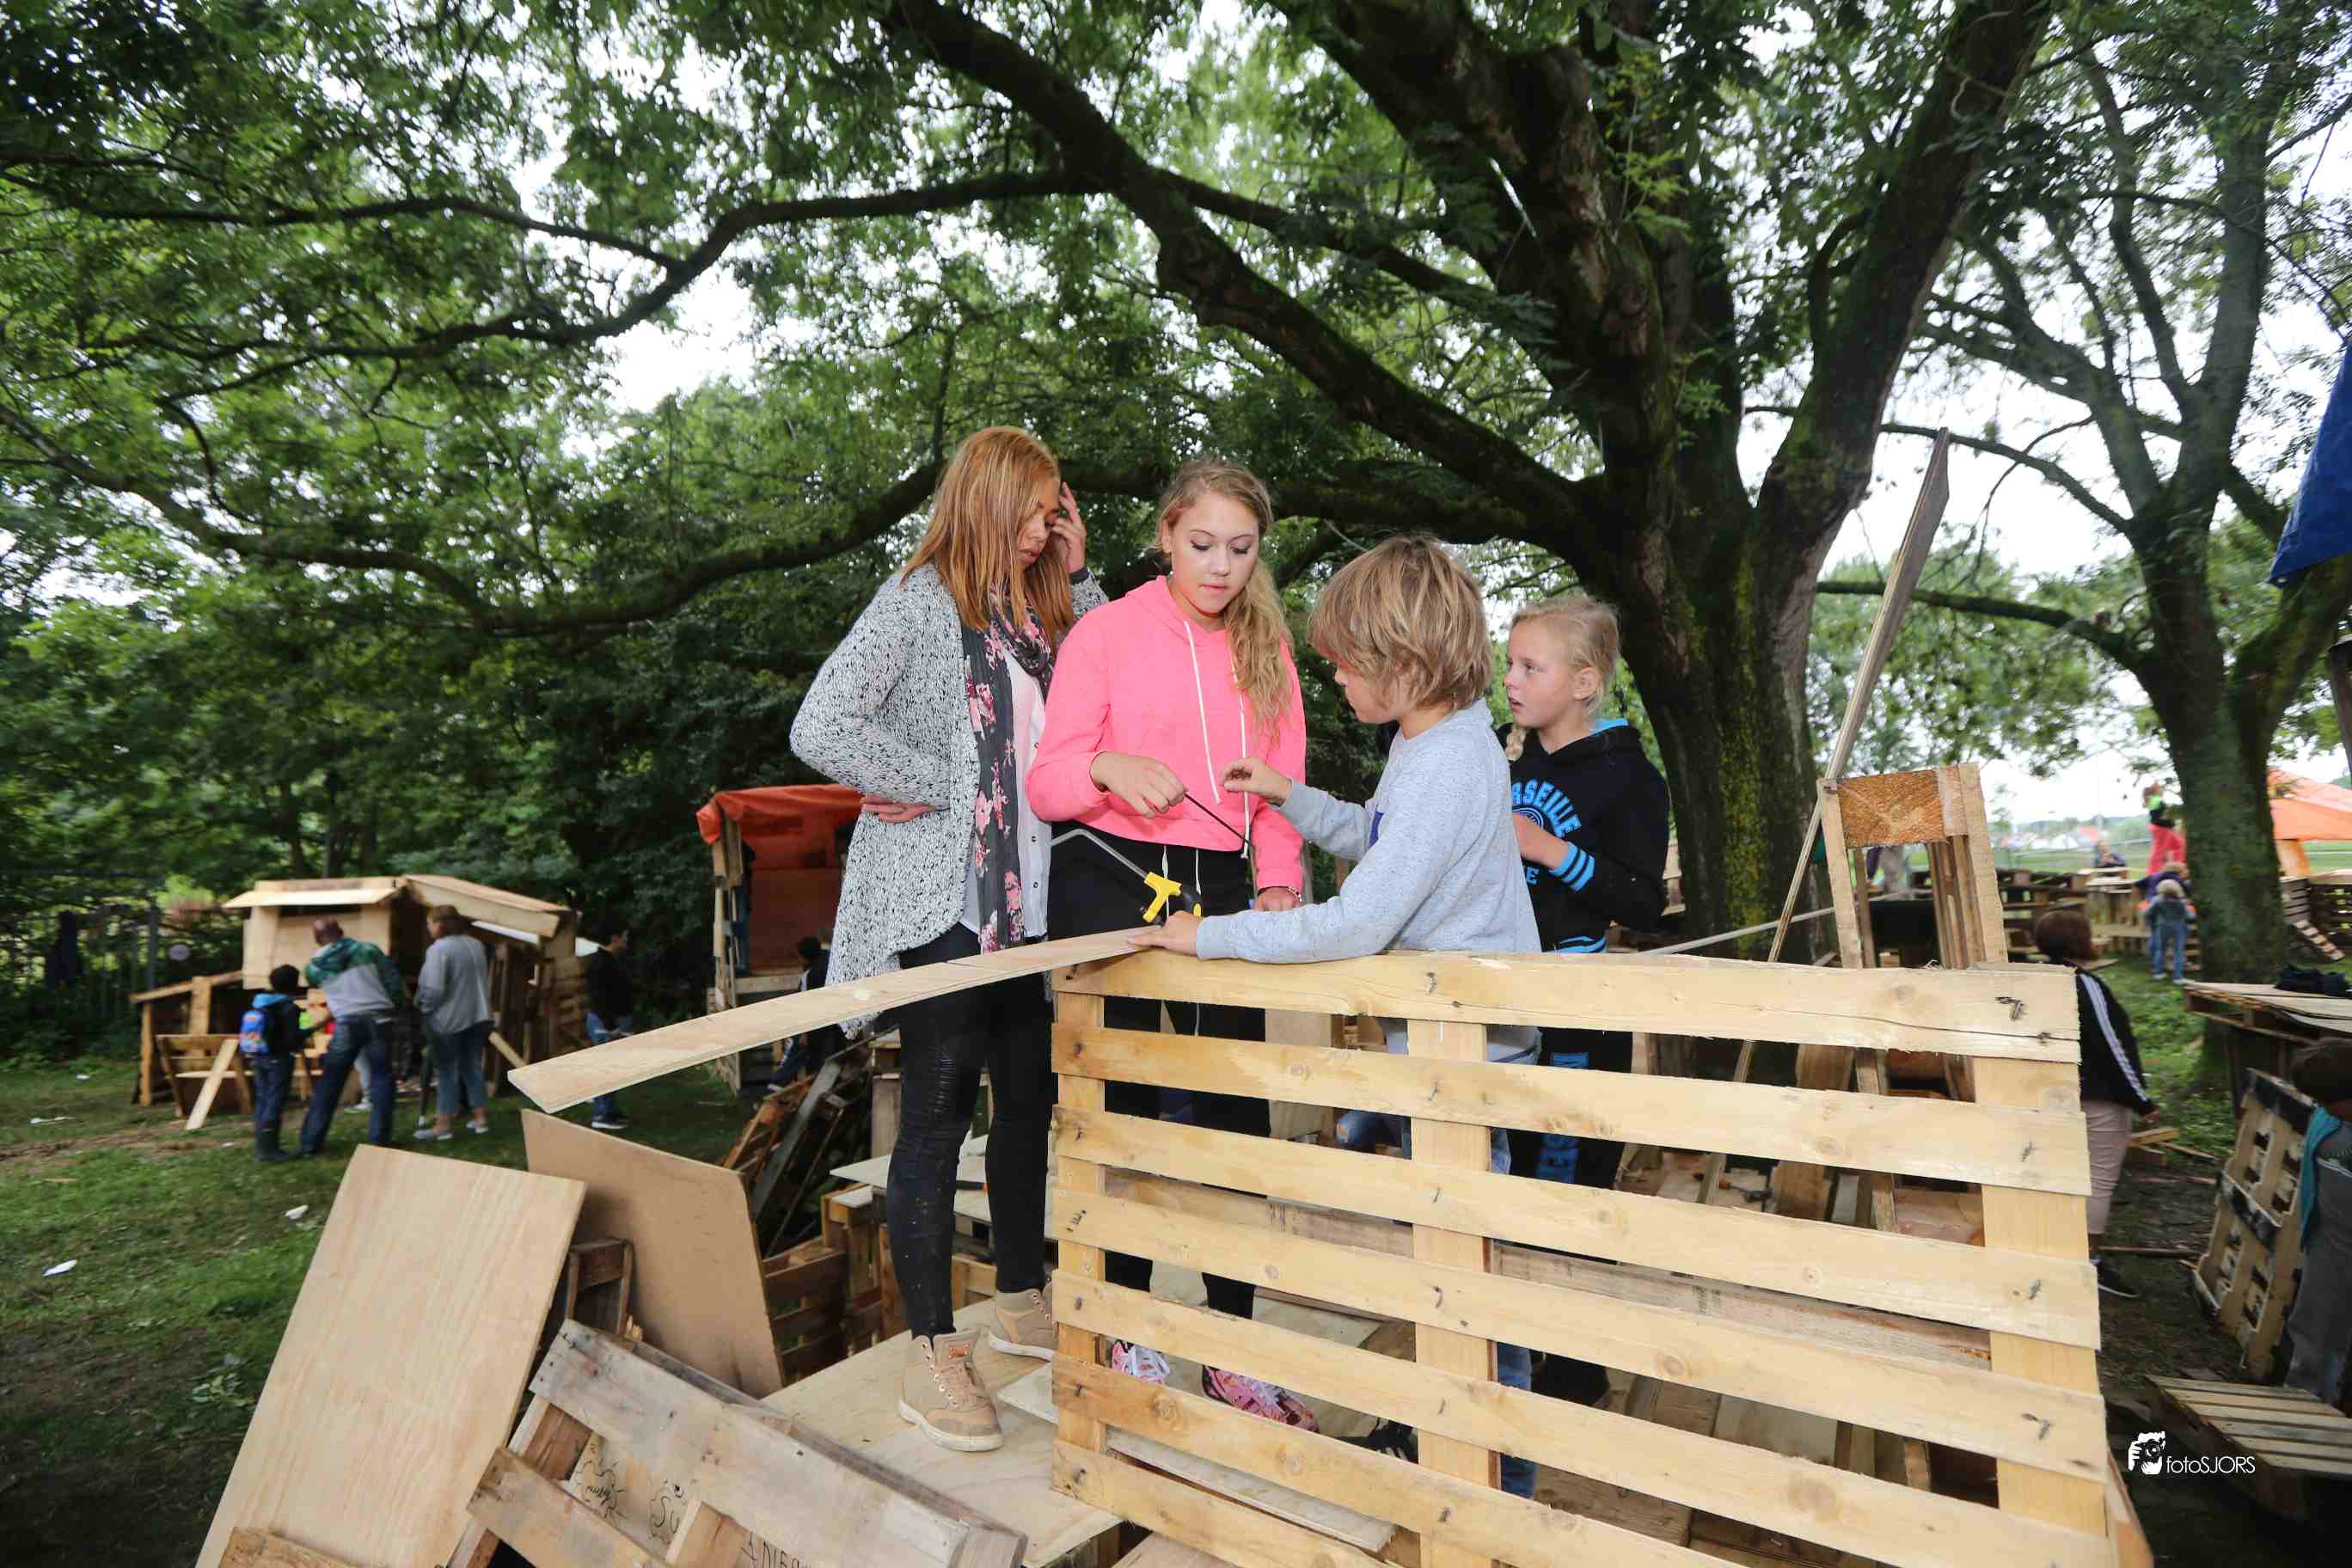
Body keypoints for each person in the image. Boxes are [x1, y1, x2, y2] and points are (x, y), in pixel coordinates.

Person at [1131, 535, 1545, 1498]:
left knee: (1472, 1273)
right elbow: (1379, 839)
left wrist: (1209, 936)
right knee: (1447, 1254)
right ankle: (1447, 1438)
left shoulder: (1451, 763)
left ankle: (1498, 1483)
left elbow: (1357, 922)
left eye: (1349, 665)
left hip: (1467, 1056)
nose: (1336, 680)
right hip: (1437, 1047)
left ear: (1406, 661)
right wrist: (1297, 799)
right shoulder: (1427, 743)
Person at [791, 426, 1100, 1453]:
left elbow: (1107, 680)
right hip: (946, 903)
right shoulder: (920, 601)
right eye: (1032, 512)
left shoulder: (1045, 611)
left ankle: (1017, 1295)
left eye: (1052, 514)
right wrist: (932, 784)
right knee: (935, 1113)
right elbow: (821, 723)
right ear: (986, 501)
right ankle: (931, 1355)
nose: (1041, 529)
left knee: (1028, 1102)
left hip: (1031, 905)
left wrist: (1079, 574)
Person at [1026, 457, 1315, 1426]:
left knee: (1235, 1120)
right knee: (1125, 1115)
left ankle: (1235, 1348)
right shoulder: (1104, 633)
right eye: (1201, 545)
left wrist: (1278, 882)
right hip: (1110, 879)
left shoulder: (1269, 651)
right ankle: (1126, 1331)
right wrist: (1108, 767)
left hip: (1222, 890)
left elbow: (1279, 794)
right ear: (1164, 536)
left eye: (1241, 548)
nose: (1220, 567)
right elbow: (1049, 782)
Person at [1498, 594, 1669, 1406]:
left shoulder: (1631, 779)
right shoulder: (1507, 768)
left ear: (1585, 682)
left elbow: (1644, 902)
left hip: (1579, 1023)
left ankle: (1575, 1375)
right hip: (1505, 1011)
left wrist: (1546, 848)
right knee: (1512, 1184)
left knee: (1569, 1191)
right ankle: (1516, 1357)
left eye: (1530, 667)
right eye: (1509, 663)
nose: (1510, 679)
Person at [2032, 908, 2156, 1297]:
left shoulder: (2032, 979)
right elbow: (2113, 1046)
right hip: (2096, 1097)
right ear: (2080, 940)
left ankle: (2052, 1251)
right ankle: (2087, 1263)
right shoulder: (2085, 985)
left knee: (2056, 1175)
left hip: (2045, 1095)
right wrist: (2141, 1100)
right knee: (2098, 1179)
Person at [297, 917, 406, 1155]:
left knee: (331, 1081)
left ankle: (310, 1143)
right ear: (341, 931)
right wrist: (397, 1005)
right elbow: (392, 980)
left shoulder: (313, 968)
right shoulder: (369, 951)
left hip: (345, 1022)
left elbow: (317, 983)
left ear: (316, 938)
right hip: (379, 1019)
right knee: (382, 1077)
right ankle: (380, 1139)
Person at [2286, 1045, 2352, 1410]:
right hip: (2330, 1242)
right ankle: (2304, 1409)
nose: (2324, 1108)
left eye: (2330, 1102)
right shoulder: (2328, 1120)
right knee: (2314, 1331)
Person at [414, 904, 493, 1139]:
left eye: (429, 924)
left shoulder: (439, 949)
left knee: (447, 1070)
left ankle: (443, 1125)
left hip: (450, 1019)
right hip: (480, 1015)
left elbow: (434, 988)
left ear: (440, 924)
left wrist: (424, 1007)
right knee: (472, 1067)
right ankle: (480, 1119)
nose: (428, 929)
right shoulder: (476, 944)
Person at [239, 964, 316, 1162]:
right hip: (279, 1060)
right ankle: (269, 1150)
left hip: (259, 1057)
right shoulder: (290, 1008)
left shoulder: (260, 1003)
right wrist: (312, 1030)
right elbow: (292, 1039)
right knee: (274, 1102)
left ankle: (261, 1147)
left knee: (263, 1100)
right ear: (295, 983)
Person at [582, 923, 636, 1132]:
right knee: (605, 1069)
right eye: (624, 936)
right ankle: (601, 1114)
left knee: (614, 1069)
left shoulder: (610, 960)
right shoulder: (600, 963)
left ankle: (610, 1110)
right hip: (605, 1024)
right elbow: (598, 999)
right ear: (615, 938)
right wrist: (611, 1026)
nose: (626, 940)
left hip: (613, 1021)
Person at [2144, 875, 2193, 983]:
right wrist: (2192, 912)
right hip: (2179, 927)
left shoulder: (2157, 900)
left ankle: (2158, 973)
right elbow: (2190, 916)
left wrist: (2152, 922)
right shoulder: (2182, 902)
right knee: (2179, 952)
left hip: (2162, 926)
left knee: (2160, 950)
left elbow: (2148, 913)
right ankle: (2178, 977)